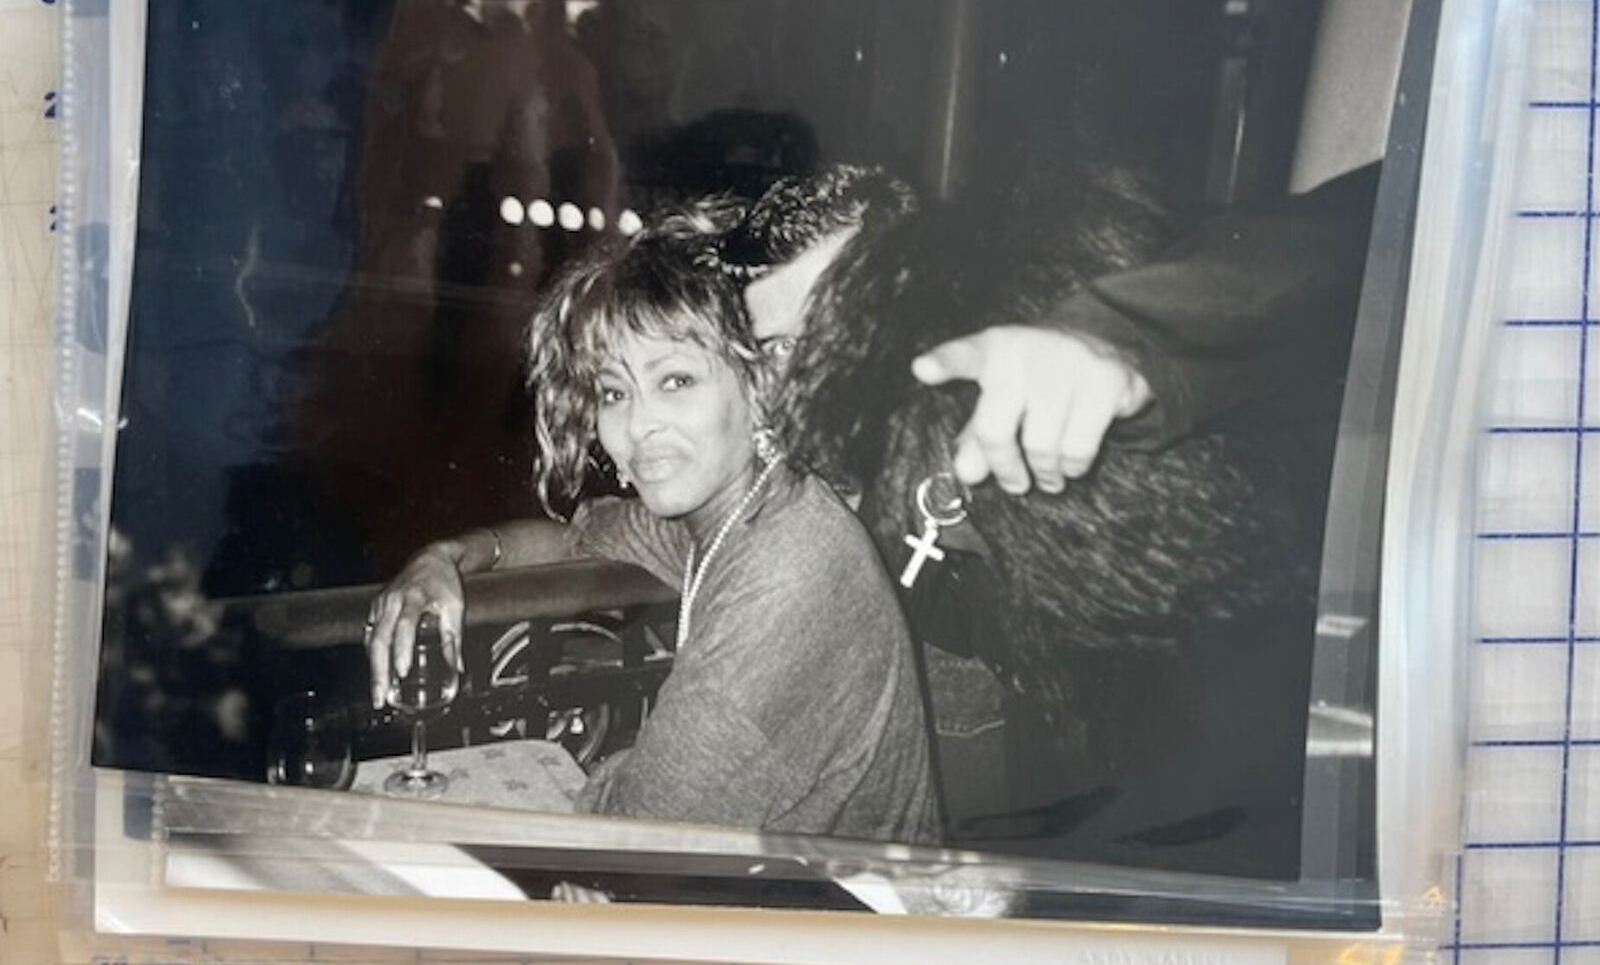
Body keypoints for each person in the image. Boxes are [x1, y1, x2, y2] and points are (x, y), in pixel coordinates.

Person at [704, 162, 1378, 880]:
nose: (806, 371)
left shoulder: (1078, 339)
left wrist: (1118, 342)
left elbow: (1359, 230)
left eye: (834, 313)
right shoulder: (888, 501)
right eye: (777, 349)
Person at [365, 219, 941, 845]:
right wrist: (447, 556)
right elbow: (584, 537)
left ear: (757, 388)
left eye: (676, 381)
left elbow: (638, 837)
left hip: (847, 929)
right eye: (614, 392)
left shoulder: (792, 569)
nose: (639, 425)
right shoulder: (745, 511)